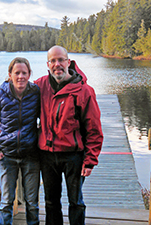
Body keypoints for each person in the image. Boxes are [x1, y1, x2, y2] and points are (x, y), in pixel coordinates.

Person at [34, 45, 104, 225]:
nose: (57, 64)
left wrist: (90, 160)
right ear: (48, 64)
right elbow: (17, 89)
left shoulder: (83, 91)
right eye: (53, 61)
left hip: (74, 156)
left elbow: (94, 129)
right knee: (51, 202)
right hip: (47, 156)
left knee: (76, 202)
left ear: (68, 61)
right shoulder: (39, 86)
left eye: (61, 60)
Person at [0, 57, 40, 225]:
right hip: (7, 157)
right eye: (17, 73)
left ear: (30, 74)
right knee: (7, 202)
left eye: (24, 73)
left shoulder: (36, 93)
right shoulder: (0, 95)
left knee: (32, 203)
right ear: (10, 75)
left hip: (30, 156)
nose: (20, 76)